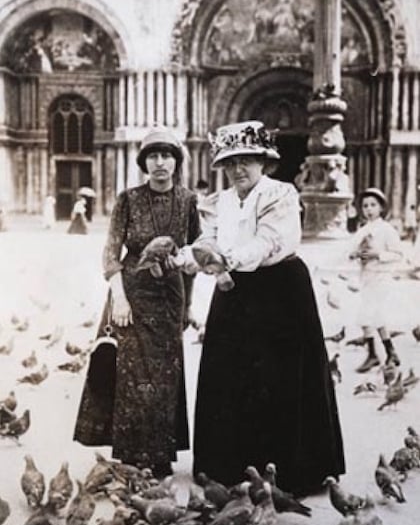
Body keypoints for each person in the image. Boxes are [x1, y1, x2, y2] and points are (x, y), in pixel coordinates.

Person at [179, 120, 345, 496]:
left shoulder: (280, 194)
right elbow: (208, 238)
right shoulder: (220, 200)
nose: (239, 169)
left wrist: (226, 258)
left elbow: (269, 242)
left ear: (264, 162)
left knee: (278, 375)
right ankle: (231, 463)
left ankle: (288, 469)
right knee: (231, 371)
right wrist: (193, 257)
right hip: (235, 292)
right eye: (232, 161)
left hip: (280, 291)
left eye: (248, 160)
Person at [73, 127, 200, 477]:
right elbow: (111, 252)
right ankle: (130, 454)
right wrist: (120, 299)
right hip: (130, 294)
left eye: (167, 156)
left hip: (170, 297)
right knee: (130, 374)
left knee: (165, 376)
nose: (160, 163)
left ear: (177, 161)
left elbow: (196, 253)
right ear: (144, 163)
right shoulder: (128, 199)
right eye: (153, 157)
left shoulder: (189, 201)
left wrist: (188, 305)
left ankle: (160, 455)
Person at [348, 188, 403, 373]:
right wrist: (355, 254)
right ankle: (390, 352)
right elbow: (351, 251)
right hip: (367, 277)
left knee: (367, 315)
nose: (368, 209)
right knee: (374, 316)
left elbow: (398, 254)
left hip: (381, 277)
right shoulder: (362, 230)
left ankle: (374, 354)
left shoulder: (387, 230)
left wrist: (378, 254)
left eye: (373, 205)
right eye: (365, 206)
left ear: (381, 208)